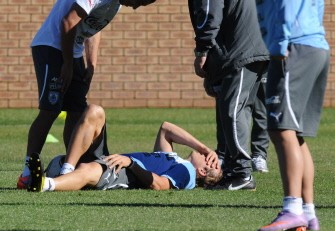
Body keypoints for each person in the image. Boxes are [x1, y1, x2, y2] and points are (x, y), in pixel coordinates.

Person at [17, 0, 156, 189]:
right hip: (51, 47)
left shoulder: (115, 4)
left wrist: (91, 64)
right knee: (51, 109)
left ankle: (68, 170)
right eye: (141, 1)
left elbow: (93, 28)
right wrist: (67, 63)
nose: (138, 6)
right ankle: (26, 174)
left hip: (73, 53)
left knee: (77, 111)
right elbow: (68, 21)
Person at [26, 104, 223, 192]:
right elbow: (166, 128)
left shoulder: (187, 172)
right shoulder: (174, 159)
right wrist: (204, 148)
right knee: (95, 112)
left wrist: (131, 164)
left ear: (203, 170)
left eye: (210, 160)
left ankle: (44, 185)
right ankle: (66, 171)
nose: (207, 155)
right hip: (113, 160)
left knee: (87, 170)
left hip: (125, 172)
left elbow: (160, 185)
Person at [256, 0, 329, 231]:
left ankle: (293, 210)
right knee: (294, 133)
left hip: (292, 48)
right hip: (314, 46)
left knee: (281, 128)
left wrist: (278, 44)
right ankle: (308, 213)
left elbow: (285, 5)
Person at [188, 0, 269, 190]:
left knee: (234, 110)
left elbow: (209, 14)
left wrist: (202, 50)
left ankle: (242, 173)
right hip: (250, 47)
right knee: (235, 108)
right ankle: (234, 170)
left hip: (243, 50)